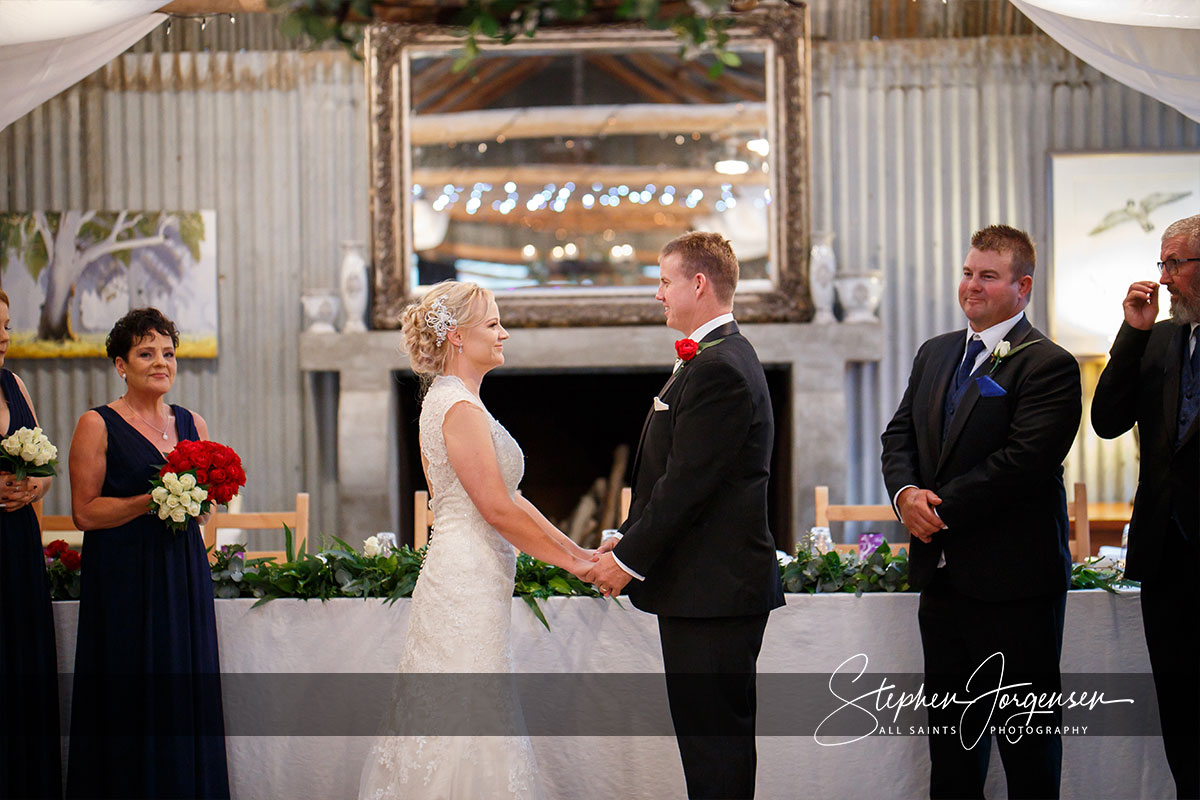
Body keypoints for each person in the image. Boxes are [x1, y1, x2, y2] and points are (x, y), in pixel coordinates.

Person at [358, 281, 597, 800]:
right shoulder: (456, 408)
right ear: (459, 338)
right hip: (463, 579)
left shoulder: (458, 402)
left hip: (473, 573)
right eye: (492, 323)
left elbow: (512, 499)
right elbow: (496, 508)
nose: (503, 331)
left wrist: (579, 553)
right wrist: (577, 567)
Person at [880, 225, 1081, 799]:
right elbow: (899, 436)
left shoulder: (1049, 364)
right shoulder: (936, 351)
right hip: (942, 583)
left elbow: (1023, 462)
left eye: (987, 276)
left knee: (1028, 750)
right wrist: (904, 497)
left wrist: (936, 510)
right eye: (968, 272)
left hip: (1016, 585)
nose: (971, 285)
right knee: (952, 751)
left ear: (1023, 287)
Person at [585, 232, 784, 799]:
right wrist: (625, 533)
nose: (658, 294)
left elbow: (689, 486)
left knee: (714, 748)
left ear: (699, 284)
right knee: (708, 746)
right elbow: (675, 474)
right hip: (706, 589)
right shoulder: (713, 358)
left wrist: (627, 559)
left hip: (714, 592)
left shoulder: (720, 367)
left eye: (665, 281)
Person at [65, 307, 229, 799]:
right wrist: (150, 501)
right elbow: (84, 513)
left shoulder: (192, 422)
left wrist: (203, 515)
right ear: (121, 364)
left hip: (182, 575)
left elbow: (209, 505)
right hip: (124, 581)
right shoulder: (96, 424)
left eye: (168, 353)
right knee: (129, 694)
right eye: (146, 353)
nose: (161, 362)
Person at [1091, 213, 1199, 800]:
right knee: (1179, 706)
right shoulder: (1157, 338)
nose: (1165, 278)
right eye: (1163, 263)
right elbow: (1107, 421)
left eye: (1176, 264)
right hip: (1166, 556)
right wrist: (1131, 332)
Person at [0, 289, 61, 799]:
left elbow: (44, 469)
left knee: (21, 664)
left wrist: (33, 486)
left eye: (7, 324)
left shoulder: (16, 384)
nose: (4, 335)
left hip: (17, 543)